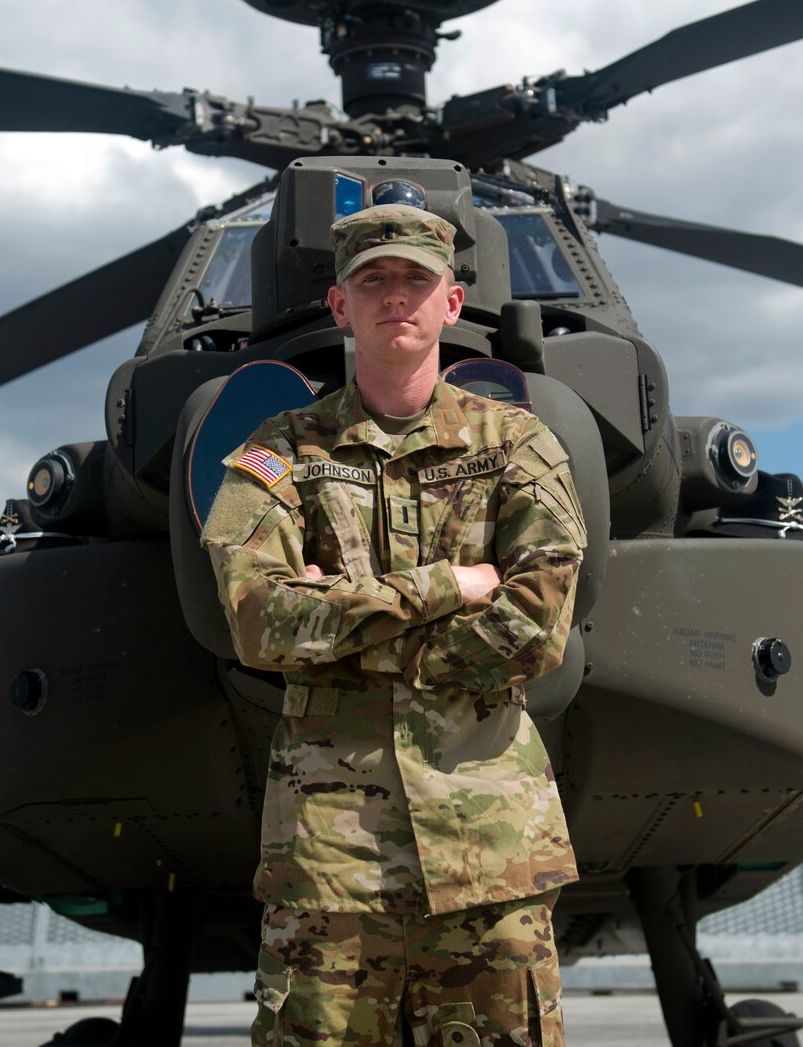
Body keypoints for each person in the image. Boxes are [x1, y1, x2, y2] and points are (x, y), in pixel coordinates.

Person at [201, 203, 586, 1046]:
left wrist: (340, 623)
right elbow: (262, 624)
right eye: (372, 280)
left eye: (417, 278)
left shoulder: (518, 446)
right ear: (339, 306)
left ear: (452, 303)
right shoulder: (276, 453)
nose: (395, 297)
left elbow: (538, 627)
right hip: (331, 867)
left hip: (491, 854)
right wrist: (450, 583)